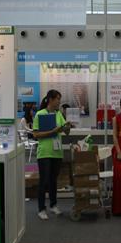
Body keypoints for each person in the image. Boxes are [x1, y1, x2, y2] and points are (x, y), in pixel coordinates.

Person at [33, 90, 72, 220]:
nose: (59, 102)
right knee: (43, 181)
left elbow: (66, 133)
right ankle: (41, 209)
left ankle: (53, 205)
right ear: (50, 99)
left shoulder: (59, 114)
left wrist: (67, 127)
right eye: (57, 99)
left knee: (53, 181)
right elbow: (36, 134)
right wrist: (53, 131)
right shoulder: (40, 114)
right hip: (44, 152)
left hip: (57, 152)